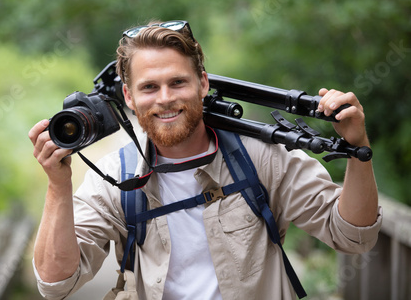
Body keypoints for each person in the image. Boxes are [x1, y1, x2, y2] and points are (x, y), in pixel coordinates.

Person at [28, 20, 382, 300]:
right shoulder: (114, 176)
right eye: (149, 87)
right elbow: (56, 284)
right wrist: (58, 185)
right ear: (129, 97)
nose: (165, 99)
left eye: (177, 82)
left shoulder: (261, 156)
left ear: (202, 83)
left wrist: (357, 146)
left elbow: (354, 237)